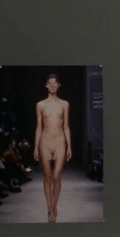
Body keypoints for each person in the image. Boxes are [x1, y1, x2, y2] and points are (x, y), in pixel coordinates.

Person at [33, 74, 71, 223]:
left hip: (60, 142)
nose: (53, 86)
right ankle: (50, 208)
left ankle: (54, 206)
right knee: (48, 178)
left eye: (56, 84)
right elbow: (38, 127)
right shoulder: (40, 105)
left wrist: (69, 146)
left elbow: (66, 126)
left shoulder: (65, 104)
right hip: (45, 143)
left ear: (59, 85)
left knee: (57, 177)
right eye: (51, 84)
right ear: (46, 86)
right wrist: (35, 147)